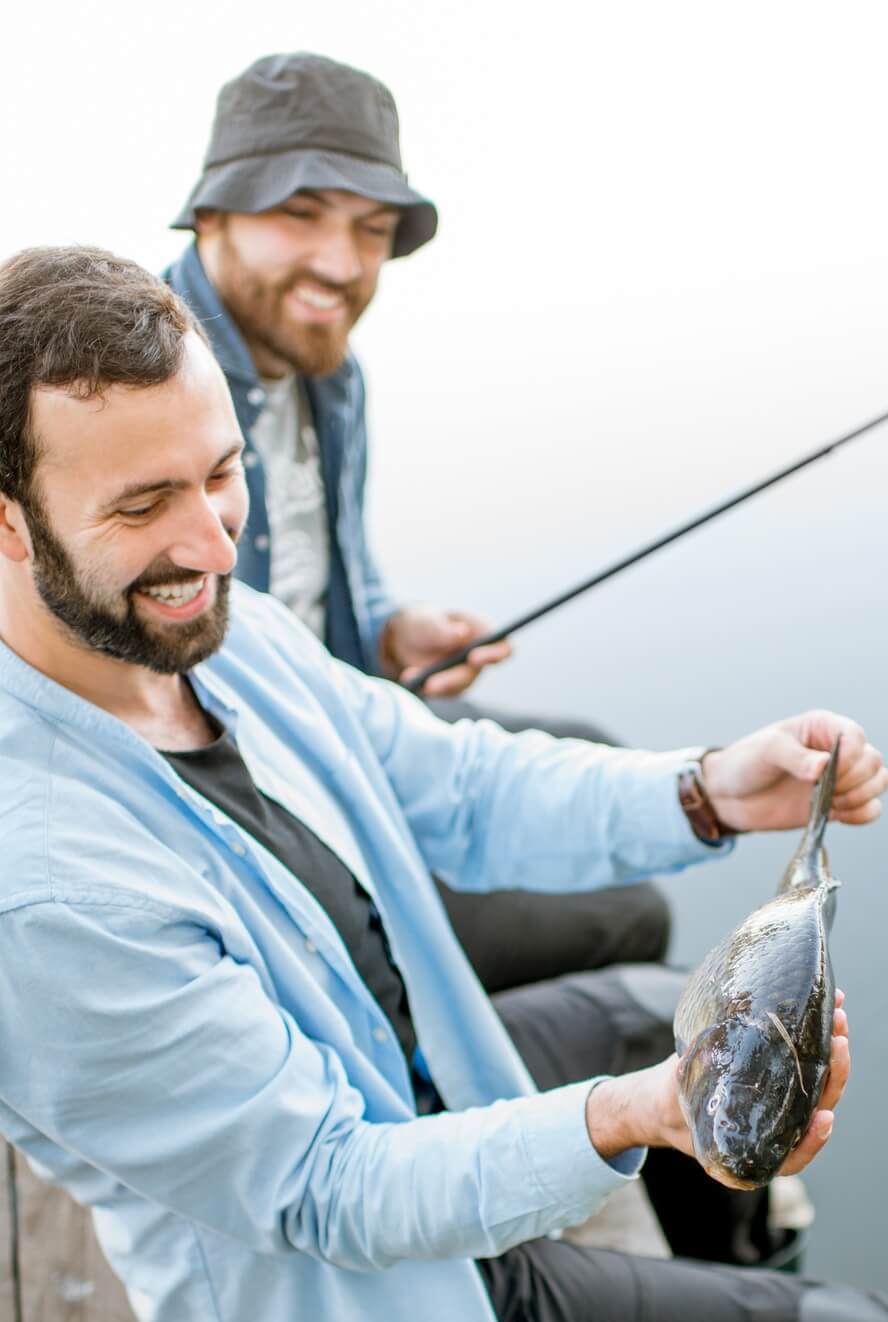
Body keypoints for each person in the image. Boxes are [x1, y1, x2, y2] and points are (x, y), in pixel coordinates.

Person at [0, 246, 888, 1322]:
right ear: (8, 519)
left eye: (223, 474)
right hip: (388, 1311)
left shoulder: (204, 623)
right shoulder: (48, 898)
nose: (208, 537)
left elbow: (444, 779)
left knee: (642, 1000)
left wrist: (705, 791)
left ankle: (727, 1295)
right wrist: (638, 1115)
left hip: (429, 1100)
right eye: (143, 503)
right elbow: (333, 1189)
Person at [165, 49, 671, 995]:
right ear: (213, 212)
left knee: (605, 753)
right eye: (301, 213)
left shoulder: (329, 373)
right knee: (634, 915)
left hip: (342, 709)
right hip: (275, 795)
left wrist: (389, 631)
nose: (343, 264)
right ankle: (436, 1058)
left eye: (372, 229)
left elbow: (318, 578)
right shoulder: (151, 384)